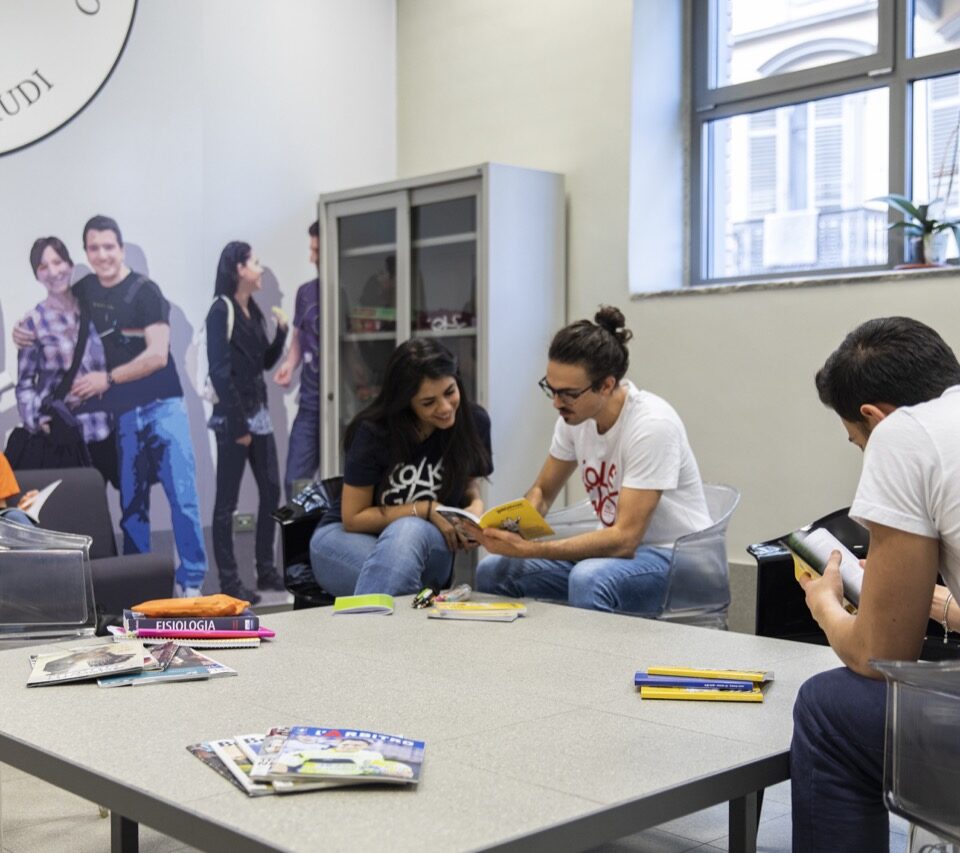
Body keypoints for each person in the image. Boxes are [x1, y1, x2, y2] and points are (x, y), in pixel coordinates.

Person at [791, 316, 960, 853]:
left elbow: (878, 653)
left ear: (872, 417)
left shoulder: (903, 434)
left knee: (828, 706)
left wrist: (826, 605)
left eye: (855, 440)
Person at [475, 306, 711, 615]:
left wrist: (530, 549)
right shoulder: (574, 419)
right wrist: (514, 526)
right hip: (617, 556)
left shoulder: (652, 425)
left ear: (607, 385)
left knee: (588, 579)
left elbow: (625, 539)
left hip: (676, 560)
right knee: (494, 570)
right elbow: (543, 492)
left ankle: (594, 664)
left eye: (569, 394)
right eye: (551, 389)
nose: (557, 403)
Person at [67, 215, 208, 598]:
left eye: (109, 247)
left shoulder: (146, 292)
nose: (102, 255)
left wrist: (107, 380)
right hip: (124, 417)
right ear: (86, 252)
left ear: (121, 248)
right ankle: (140, 591)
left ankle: (192, 583)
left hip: (165, 408)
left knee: (184, 501)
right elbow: (56, 315)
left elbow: (158, 355)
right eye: (94, 248)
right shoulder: (83, 291)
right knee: (132, 509)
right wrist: (23, 329)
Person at [309, 338, 492, 596]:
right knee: (405, 543)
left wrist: (475, 508)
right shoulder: (374, 434)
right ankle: (406, 625)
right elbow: (353, 518)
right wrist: (425, 510)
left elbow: (469, 482)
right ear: (406, 402)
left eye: (450, 392)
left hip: (429, 546)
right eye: (428, 402)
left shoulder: (475, 422)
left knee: (407, 539)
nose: (445, 407)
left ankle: (376, 633)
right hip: (346, 537)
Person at [206, 241, 288, 604]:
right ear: (238, 268)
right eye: (254, 261)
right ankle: (229, 581)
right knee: (227, 502)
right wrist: (238, 426)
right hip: (234, 419)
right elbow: (220, 373)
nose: (260, 268)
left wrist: (282, 333)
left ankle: (266, 569)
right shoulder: (220, 310)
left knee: (271, 491)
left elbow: (263, 363)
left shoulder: (252, 310)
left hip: (260, 415)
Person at [14, 237, 116, 487]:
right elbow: (25, 384)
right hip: (65, 438)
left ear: (69, 265)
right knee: (74, 514)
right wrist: (38, 422)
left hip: (104, 429)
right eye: (43, 266)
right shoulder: (33, 323)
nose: (53, 272)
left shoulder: (95, 310)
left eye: (57, 262)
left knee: (110, 511)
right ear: (37, 275)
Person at [273, 220, 321, 500]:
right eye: (311, 249)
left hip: (345, 408)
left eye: (316, 250)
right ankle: (301, 544)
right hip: (310, 404)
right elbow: (299, 337)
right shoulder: (305, 292)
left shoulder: (346, 288)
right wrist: (290, 365)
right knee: (295, 483)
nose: (311, 258)